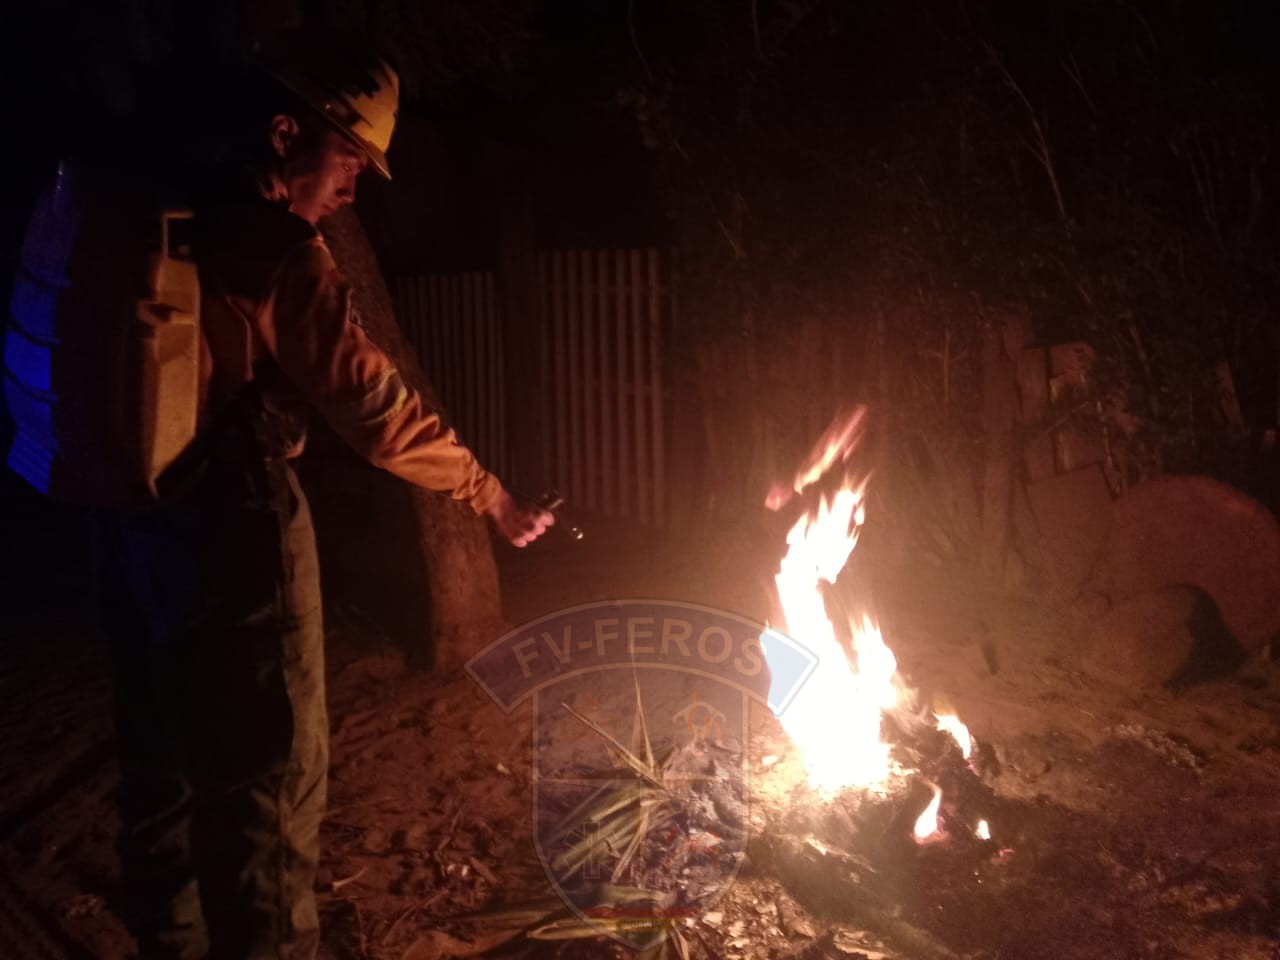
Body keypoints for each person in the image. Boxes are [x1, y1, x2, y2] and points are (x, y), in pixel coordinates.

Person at [94, 31, 551, 959]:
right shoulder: (274, 250)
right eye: (348, 162)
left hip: (130, 521)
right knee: (270, 780)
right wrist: (490, 495)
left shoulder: (159, 204)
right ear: (283, 134)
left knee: (162, 767)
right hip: (236, 531)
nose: (351, 191)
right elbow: (379, 416)